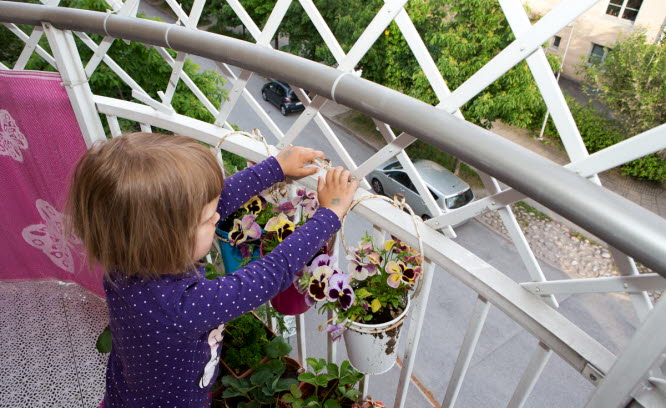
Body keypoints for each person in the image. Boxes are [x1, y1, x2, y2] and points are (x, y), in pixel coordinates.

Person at [66, 132, 360, 407]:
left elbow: (215, 201)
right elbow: (272, 272)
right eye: (209, 220)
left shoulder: (125, 257)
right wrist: (329, 215)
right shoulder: (186, 305)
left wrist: (276, 168)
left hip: (126, 391)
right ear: (168, 238)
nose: (219, 215)